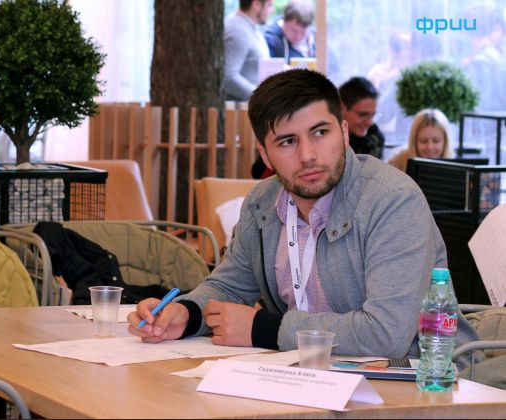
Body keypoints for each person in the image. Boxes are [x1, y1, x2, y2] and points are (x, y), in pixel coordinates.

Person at [128, 69, 478, 363]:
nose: (308, 155)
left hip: (420, 380)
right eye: (287, 142)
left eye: (320, 133)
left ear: (344, 133)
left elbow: (387, 335)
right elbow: (228, 286)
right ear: (265, 155)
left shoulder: (392, 201)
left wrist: (264, 329)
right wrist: (187, 314)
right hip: (308, 374)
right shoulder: (262, 203)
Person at [224, 0, 274, 101]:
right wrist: (262, 97)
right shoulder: (238, 30)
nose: (272, 10)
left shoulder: (247, 26)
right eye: (269, 5)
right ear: (256, 4)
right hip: (240, 108)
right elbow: (228, 76)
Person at [387, 108, 453, 172]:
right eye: (423, 141)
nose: (430, 147)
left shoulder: (454, 168)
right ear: (414, 141)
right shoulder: (395, 165)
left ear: (445, 142)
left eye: (436, 141)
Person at [339, 76, 386, 159]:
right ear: (343, 108)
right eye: (363, 114)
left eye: (372, 115)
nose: (370, 122)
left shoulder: (374, 137)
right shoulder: (324, 134)